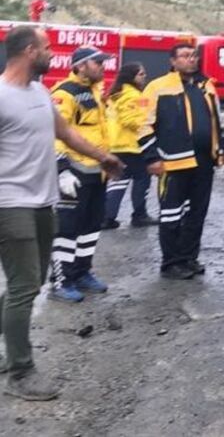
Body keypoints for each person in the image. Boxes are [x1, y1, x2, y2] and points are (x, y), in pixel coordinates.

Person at [1, 26, 122, 400]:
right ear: (29, 50)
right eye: (47, 47)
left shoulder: (40, 92)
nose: (53, 54)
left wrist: (103, 157)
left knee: (31, 283)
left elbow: (66, 133)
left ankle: (11, 345)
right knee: (24, 286)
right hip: (10, 204)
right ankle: (20, 372)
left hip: (43, 202)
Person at [139, 43, 224, 280]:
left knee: (196, 213)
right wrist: (152, 157)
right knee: (171, 214)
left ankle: (189, 257)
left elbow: (217, 120)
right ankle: (171, 263)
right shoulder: (157, 87)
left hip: (204, 161)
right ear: (173, 61)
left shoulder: (206, 85)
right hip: (173, 162)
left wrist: (223, 146)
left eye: (193, 55)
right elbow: (143, 124)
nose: (191, 59)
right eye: (184, 56)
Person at [48, 46, 117, 303]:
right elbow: (55, 134)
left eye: (103, 62)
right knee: (67, 229)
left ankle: (81, 272)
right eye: (97, 62)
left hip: (96, 173)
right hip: (74, 174)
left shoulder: (95, 92)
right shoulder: (64, 93)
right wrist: (62, 170)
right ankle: (61, 282)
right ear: (80, 66)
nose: (103, 66)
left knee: (91, 226)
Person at [103, 63, 158, 230]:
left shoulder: (116, 94)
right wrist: (151, 124)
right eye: (141, 74)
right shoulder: (134, 96)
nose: (144, 76)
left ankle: (108, 217)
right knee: (142, 179)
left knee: (119, 181)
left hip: (117, 145)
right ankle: (139, 215)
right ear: (131, 77)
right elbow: (131, 120)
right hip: (133, 145)